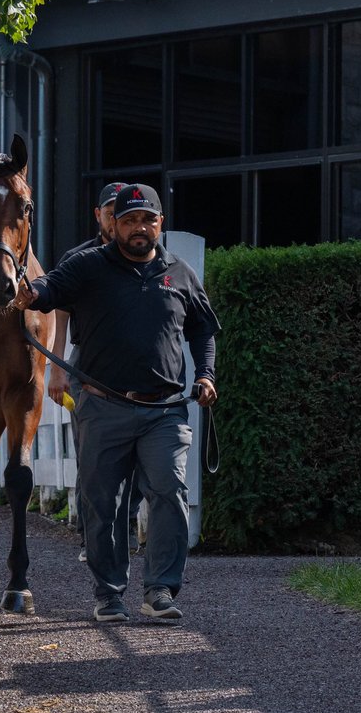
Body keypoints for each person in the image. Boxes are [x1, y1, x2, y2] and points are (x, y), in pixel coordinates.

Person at [15, 184, 219, 623]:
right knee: (101, 503)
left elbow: (203, 329)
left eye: (147, 220)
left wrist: (205, 375)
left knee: (170, 490)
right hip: (102, 406)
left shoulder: (180, 274)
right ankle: (109, 593)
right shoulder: (88, 265)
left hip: (165, 410)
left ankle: (160, 588)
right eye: (129, 221)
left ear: (160, 223)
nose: (138, 228)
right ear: (114, 224)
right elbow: (51, 288)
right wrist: (31, 294)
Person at [46, 182, 143, 561]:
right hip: (87, 363)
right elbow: (60, 314)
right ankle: (93, 536)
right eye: (110, 212)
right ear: (99, 215)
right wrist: (57, 369)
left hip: (134, 363)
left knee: (137, 452)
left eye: (122, 213)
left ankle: (126, 526)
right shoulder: (78, 259)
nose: (115, 219)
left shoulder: (143, 256)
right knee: (92, 454)